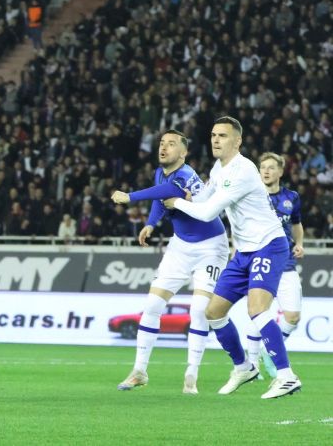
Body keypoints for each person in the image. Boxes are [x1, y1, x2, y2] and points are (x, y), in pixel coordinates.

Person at [166, 116, 301, 399]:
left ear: (237, 141)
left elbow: (207, 213)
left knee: (257, 309)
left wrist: (175, 202)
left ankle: (286, 376)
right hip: (243, 251)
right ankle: (243, 367)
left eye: (223, 136)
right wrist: (187, 196)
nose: (216, 140)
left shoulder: (243, 170)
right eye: (213, 135)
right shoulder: (219, 168)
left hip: (268, 244)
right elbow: (203, 200)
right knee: (213, 312)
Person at [110, 130, 228, 394]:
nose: (164, 147)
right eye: (162, 143)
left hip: (211, 247)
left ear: (183, 153)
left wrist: (130, 197)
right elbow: (160, 199)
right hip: (180, 247)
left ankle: (191, 375)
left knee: (199, 309)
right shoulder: (160, 173)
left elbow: (167, 191)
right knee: (152, 304)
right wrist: (151, 224)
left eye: (171, 144)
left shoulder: (184, 175)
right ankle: (139, 371)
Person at [251, 152, 303, 377]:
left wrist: (299, 243)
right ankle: (251, 365)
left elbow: (297, 223)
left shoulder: (291, 197)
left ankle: (268, 351)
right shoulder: (252, 196)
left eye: (271, 167)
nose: (266, 171)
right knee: (258, 312)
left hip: (286, 264)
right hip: (261, 261)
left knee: (293, 317)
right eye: (263, 167)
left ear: (281, 171)